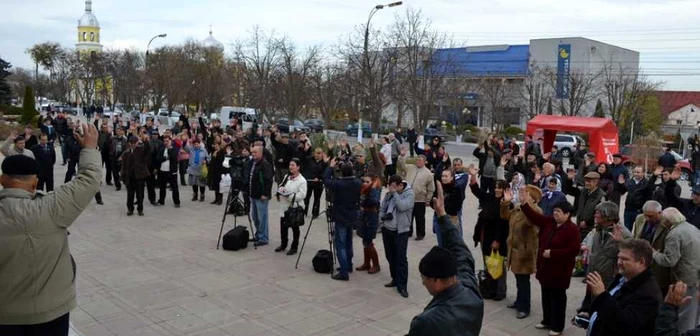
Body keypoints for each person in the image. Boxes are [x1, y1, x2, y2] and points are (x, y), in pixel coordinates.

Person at [0, 124, 100, 334]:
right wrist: (89, 149)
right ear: (35, 183)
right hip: (50, 311)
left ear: (2, 180)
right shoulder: (50, 208)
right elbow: (88, 180)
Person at [407, 183, 484, 336]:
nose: (423, 283)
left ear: (437, 280)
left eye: (424, 279)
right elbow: (461, 250)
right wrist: (442, 215)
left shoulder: (428, 321)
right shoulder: (470, 288)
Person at [520, 193, 581, 336]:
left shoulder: (572, 230)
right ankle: (547, 320)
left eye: (558, 212)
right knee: (546, 296)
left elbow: (574, 250)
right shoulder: (550, 223)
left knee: (558, 299)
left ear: (567, 214)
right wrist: (524, 205)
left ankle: (557, 326)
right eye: (554, 211)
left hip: (560, 271)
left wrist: (553, 253)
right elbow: (536, 218)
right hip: (545, 269)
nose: (555, 214)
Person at [580, 239, 663, 336]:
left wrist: (602, 295)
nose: (619, 262)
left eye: (624, 259)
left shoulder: (648, 294)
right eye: (618, 258)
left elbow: (624, 324)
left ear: (641, 262)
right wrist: (587, 311)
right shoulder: (622, 277)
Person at [653, 207, 700, 332]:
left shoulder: (674, 234)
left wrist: (654, 253)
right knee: (693, 313)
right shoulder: (691, 227)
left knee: (683, 315)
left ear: (668, 221)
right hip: (696, 276)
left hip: (684, 279)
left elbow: (669, 261)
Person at [501, 185, 543, 319]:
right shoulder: (518, 208)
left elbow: (530, 223)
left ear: (533, 197)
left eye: (525, 193)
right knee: (519, 279)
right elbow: (505, 216)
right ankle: (519, 301)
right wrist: (506, 203)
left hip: (525, 252)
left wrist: (525, 204)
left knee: (524, 281)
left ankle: (525, 307)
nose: (521, 195)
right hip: (515, 250)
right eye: (521, 193)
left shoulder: (536, 210)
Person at [470, 165, 509, 300]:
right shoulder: (490, 198)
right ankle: (489, 289)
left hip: (497, 240)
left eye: (500, 188)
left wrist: (497, 240)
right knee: (489, 265)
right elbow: (477, 191)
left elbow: (503, 224)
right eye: (496, 187)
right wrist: (473, 176)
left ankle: (500, 291)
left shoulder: (506, 204)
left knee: (499, 266)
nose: (497, 190)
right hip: (484, 237)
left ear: (505, 190)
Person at [324, 158, 362, 281]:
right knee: (348, 242)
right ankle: (349, 265)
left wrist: (330, 167)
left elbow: (326, 179)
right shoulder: (357, 182)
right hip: (352, 216)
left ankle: (344, 271)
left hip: (340, 216)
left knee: (340, 244)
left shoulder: (338, 184)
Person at [380, 175, 415, 297]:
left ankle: (402, 286)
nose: (391, 189)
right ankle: (394, 279)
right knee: (390, 256)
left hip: (401, 232)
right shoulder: (389, 194)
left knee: (401, 258)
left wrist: (394, 194)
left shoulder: (409, 194)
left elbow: (402, 206)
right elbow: (382, 208)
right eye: (390, 186)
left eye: (394, 187)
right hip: (387, 230)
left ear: (401, 185)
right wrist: (381, 221)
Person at [631, 201, 672, 295]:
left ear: (659, 213)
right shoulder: (640, 218)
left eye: (650, 216)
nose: (647, 218)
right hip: (640, 263)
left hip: (657, 266)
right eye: (645, 215)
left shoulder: (667, 224)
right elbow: (636, 236)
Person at [397, 150, 435, 241]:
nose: (418, 161)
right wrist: (402, 156)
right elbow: (401, 165)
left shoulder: (428, 173)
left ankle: (420, 234)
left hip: (420, 200)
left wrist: (428, 200)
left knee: (420, 218)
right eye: (417, 159)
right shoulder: (410, 167)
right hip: (408, 198)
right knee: (408, 217)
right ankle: (408, 232)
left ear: (425, 162)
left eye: (420, 160)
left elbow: (431, 188)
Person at [274, 158, 307, 256]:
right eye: (290, 165)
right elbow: (281, 185)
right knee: (283, 227)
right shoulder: (287, 176)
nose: (290, 167)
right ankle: (283, 244)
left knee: (294, 228)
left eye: (293, 165)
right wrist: (280, 189)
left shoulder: (302, 180)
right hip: (284, 207)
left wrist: (290, 195)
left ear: (298, 167)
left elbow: (302, 195)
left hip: (294, 208)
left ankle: (294, 247)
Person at [247, 145, 274, 246]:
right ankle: (258, 234)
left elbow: (268, 181)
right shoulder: (253, 163)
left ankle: (263, 237)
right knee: (255, 217)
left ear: (261, 153)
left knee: (262, 217)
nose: (253, 154)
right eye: (252, 152)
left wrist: (265, 194)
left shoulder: (265, 164)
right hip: (253, 194)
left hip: (261, 196)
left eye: (255, 152)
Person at [356, 174, 382, 274]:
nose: (365, 184)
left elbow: (373, 202)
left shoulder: (374, 191)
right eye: (364, 181)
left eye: (368, 182)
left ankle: (376, 265)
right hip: (364, 215)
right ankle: (366, 263)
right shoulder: (363, 190)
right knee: (365, 240)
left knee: (369, 241)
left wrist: (371, 190)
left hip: (371, 216)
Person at [120, 133, 151, 216]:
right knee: (130, 195)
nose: (133, 144)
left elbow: (148, 149)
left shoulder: (141, 149)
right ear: (129, 143)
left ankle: (140, 210)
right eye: (131, 143)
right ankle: (130, 209)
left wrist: (145, 141)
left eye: (135, 143)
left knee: (140, 194)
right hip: (130, 177)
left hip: (140, 176)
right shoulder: (126, 153)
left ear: (137, 143)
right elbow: (124, 166)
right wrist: (123, 177)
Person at [618, 166, 651, 231]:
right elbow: (622, 192)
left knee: (639, 230)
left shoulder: (646, 183)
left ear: (643, 173)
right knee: (627, 229)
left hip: (639, 211)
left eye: (638, 172)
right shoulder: (629, 181)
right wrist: (621, 184)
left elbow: (649, 197)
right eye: (634, 172)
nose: (636, 174)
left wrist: (643, 209)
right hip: (628, 210)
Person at [156, 135, 181, 208]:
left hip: (172, 171)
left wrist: (169, 149)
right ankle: (161, 201)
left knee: (174, 188)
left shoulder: (174, 148)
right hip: (162, 170)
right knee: (162, 187)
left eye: (167, 141)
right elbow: (158, 158)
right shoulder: (161, 149)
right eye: (164, 141)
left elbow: (174, 157)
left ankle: (177, 202)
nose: (166, 142)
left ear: (171, 141)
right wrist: (165, 158)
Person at [303, 148, 326, 218]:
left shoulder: (324, 162)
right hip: (309, 182)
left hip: (318, 183)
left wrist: (319, 178)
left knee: (317, 199)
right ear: (314, 153)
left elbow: (325, 172)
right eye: (317, 153)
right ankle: (304, 212)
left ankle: (315, 213)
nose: (318, 155)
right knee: (306, 198)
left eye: (320, 154)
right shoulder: (309, 159)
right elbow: (302, 157)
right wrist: (305, 149)